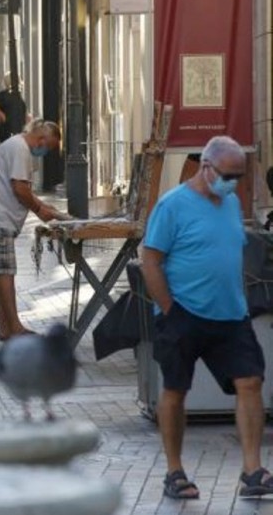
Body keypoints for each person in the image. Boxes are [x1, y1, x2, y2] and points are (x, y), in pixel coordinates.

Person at [141, 136, 273, 499]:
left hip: (231, 314)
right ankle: (174, 471)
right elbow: (150, 261)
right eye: (228, 175)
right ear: (206, 167)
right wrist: (170, 310)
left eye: (239, 176)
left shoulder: (230, 202)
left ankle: (253, 471)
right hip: (183, 313)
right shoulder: (172, 205)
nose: (233, 183)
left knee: (250, 381)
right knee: (175, 390)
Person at [0, 120, 62, 341]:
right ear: (42, 139)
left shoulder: (16, 145)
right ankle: (14, 326)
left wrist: (44, 207)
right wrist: (38, 209)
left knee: (0, 274)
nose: (46, 152)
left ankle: (5, 327)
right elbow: (19, 189)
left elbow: (23, 187)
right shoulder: (20, 149)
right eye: (50, 147)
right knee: (6, 273)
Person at [0, 73, 27, 144]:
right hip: (7, 131)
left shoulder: (18, 97)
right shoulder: (5, 95)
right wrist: (1, 114)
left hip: (17, 131)